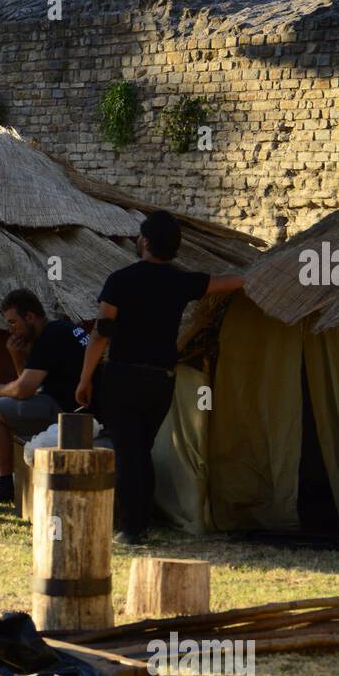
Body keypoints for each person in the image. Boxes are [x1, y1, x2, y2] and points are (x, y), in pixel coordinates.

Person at [75, 209, 244, 544]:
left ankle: (132, 528)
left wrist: (84, 379)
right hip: (161, 381)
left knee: (128, 451)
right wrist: (271, 271)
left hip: (122, 377)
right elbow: (232, 282)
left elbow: (101, 334)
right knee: (143, 450)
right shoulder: (182, 282)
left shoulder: (120, 280)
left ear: (147, 242)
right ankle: (139, 524)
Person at [0, 288, 91, 506]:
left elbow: (24, 390)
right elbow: (33, 391)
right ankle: (2, 473)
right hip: (72, 408)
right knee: (7, 409)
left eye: (13, 322)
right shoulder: (59, 330)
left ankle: (4, 484)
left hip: (71, 414)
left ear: (30, 317)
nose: (9, 330)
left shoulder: (50, 336)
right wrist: (17, 357)